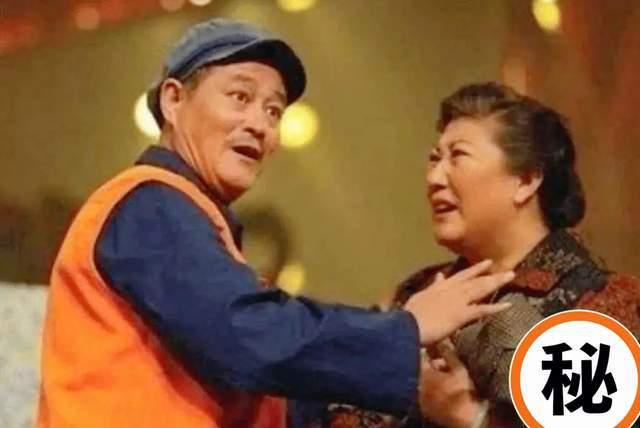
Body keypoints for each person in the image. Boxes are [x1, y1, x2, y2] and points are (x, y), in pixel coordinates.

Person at [36, 20, 514, 428]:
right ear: (174, 101)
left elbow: (262, 392)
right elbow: (249, 336)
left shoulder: (191, 217)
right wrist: (404, 329)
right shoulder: (149, 203)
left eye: (273, 110)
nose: (260, 124)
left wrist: (417, 387)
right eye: (240, 96)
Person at [312, 82, 640, 427]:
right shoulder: (420, 292)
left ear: (526, 180)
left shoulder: (601, 302)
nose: (435, 177)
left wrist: (472, 418)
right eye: (434, 158)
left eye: (458, 156)